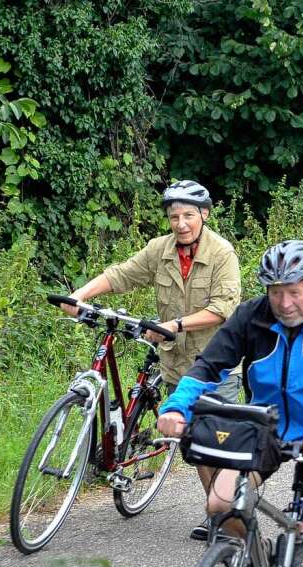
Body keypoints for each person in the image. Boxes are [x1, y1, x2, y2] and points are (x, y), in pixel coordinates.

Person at [157, 240, 303, 567]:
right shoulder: (251, 316)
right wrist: (176, 406)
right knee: (220, 505)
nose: (285, 304)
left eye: (293, 292)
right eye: (276, 293)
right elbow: (209, 365)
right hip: (263, 430)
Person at [62, 180, 242, 541]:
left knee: (216, 444)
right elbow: (121, 274)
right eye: (174, 216)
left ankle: (229, 514)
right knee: (194, 446)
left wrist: (173, 324)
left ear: (204, 215)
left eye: (189, 215)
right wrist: (79, 294)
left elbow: (224, 308)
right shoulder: (159, 250)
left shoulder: (222, 253)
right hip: (176, 364)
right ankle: (217, 511)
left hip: (216, 364)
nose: (181, 223)